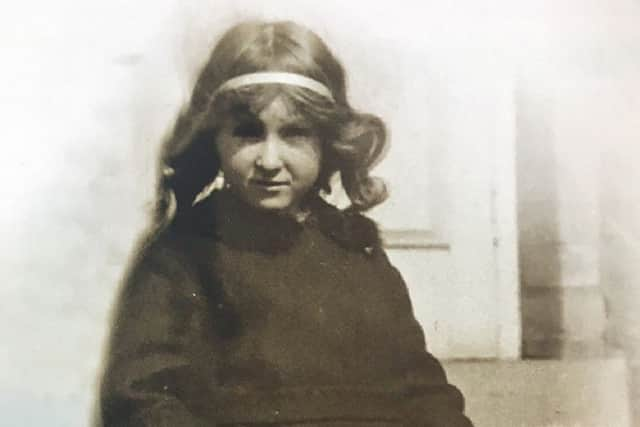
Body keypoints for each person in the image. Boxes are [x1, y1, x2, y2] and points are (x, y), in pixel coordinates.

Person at [99, 20, 473, 427]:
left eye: (294, 134)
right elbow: (143, 396)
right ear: (214, 139)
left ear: (328, 141)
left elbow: (421, 385)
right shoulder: (183, 256)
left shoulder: (355, 250)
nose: (270, 160)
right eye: (248, 133)